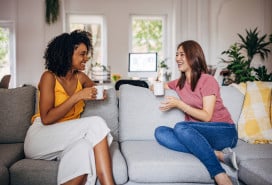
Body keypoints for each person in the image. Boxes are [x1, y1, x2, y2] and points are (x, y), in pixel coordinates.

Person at [24, 30, 115, 185]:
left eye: (86, 54)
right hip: (41, 137)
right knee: (96, 123)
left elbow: (94, 90)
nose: (86, 58)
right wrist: (77, 96)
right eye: (82, 54)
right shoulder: (49, 77)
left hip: (66, 138)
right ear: (67, 54)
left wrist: (100, 94)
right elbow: (46, 118)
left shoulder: (80, 77)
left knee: (85, 149)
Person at [154, 40, 239, 185]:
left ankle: (220, 176)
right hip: (199, 135)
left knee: (181, 127)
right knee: (160, 131)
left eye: (182, 54)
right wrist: (154, 84)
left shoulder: (207, 80)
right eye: (176, 54)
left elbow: (206, 116)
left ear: (193, 56)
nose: (177, 58)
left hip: (223, 131)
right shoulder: (179, 83)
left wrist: (180, 105)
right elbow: (160, 85)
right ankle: (218, 154)